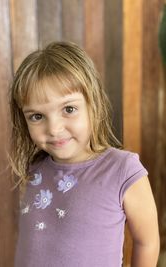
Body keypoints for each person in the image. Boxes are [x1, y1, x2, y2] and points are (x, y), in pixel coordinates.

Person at [10, 41, 159, 267]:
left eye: (69, 109)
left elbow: (146, 241)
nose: (54, 128)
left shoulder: (123, 170)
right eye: (37, 116)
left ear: (93, 105)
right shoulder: (34, 169)